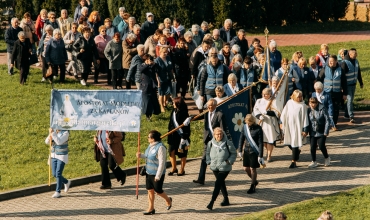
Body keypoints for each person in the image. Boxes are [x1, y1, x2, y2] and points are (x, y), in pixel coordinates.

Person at [136, 130, 173, 215]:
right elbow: (148, 156)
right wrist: (140, 155)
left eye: (149, 137)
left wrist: (158, 176)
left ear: (153, 138)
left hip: (157, 174)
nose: (147, 138)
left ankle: (168, 200)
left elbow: (162, 163)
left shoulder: (161, 148)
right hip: (148, 172)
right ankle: (151, 208)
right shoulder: (150, 146)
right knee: (150, 190)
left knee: (158, 191)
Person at [193, 98, 226, 185]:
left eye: (211, 105)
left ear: (215, 105)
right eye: (208, 105)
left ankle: (220, 178)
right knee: (204, 158)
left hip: (216, 141)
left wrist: (221, 141)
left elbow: (222, 129)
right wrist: (189, 119)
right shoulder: (206, 113)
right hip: (207, 140)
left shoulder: (220, 114)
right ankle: (201, 178)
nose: (209, 107)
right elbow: (198, 116)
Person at [205, 127, 236, 210]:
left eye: (220, 134)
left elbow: (233, 153)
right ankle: (226, 199)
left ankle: (212, 202)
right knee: (221, 183)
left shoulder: (227, 143)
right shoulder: (210, 143)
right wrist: (208, 161)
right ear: (214, 135)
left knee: (218, 183)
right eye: (217, 134)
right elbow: (207, 153)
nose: (219, 135)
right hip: (214, 167)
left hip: (224, 167)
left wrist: (229, 161)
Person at [280, 90, 309, 168]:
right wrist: (281, 122)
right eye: (298, 97)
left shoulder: (302, 106)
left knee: (295, 144)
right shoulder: (289, 103)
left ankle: (293, 161)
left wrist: (305, 129)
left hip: (297, 128)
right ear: (293, 96)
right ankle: (296, 152)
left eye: (300, 97)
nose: (299, 98)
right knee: (289, 143)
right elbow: (284, 113)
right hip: (289, 126)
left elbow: (305, 118)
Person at [317, 55, 347, 127]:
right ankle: (325, 123)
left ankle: (334, 124)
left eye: (332, 61)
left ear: (336, 61)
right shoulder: (324, 69)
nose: (330, 63)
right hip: (326, 93)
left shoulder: (340, 70)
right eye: (329, 61)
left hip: (337, 93)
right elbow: (319, 80)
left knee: (336, 109)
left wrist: (345, 93)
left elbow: (344, 82)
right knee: (325, 108)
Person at [238, 114, 264, 193]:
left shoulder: (258, 129)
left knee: (253, 169)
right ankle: (254, 180)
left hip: (254, 151)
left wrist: (260, 155)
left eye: (249, 123)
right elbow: (241, 139)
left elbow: (260, 143)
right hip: (246, 150)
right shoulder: (245, 127)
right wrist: (239, 150)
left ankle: (252, 186)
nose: (248, 124)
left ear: (253, 121)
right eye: (247, 122)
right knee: (246, 168)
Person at [253, 88, 280, 162]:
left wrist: (268, 113)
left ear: (270, 94)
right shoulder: (259, 101)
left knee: (270, 140)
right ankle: (267, 151)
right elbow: (255, 109)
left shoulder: (273, 101)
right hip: (262, 122)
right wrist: (259, 116)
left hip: (270, 123)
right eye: (263, 94)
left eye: (266, 94)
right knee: (264, 140)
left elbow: (277, 112)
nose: (264, 95)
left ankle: (269, 155)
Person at [167, 97, 191, 176]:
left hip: (181, 136)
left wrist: (185, 136)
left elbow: (187, 127)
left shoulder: (184, 113)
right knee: (171, 152)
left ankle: (182, 169)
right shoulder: (173, 111)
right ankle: (174, 168)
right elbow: (171, 122)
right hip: (172, 136)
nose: (172, 104)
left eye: (174, 103)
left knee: (182, 153)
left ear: (178, 104)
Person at [45, 128, 71, 198]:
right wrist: (50, 136)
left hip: (62, 155)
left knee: (58, 173)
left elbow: (59, 142)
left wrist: (53, 134)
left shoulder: (66, 132)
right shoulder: (54, 130)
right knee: (54, 174)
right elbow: (47, 142)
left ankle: (58, 191)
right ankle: (66, 182)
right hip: (53, 155)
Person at [307, 97, 331, 168]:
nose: (312, 105)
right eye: (311, 103)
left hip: (321, 131)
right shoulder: (308, 110)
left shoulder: (322, 109)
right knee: (312, 147)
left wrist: (326, 131)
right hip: (313, 132)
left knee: (321, 146)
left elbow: (327, 120)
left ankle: (327, 157)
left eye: (314, 103)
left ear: (317, 103)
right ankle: (314, 161)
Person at [342, 48, 364, 123]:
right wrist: (342, 87)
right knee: (350, 100)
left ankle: (346, 114)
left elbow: (358, 72)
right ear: (350, 54)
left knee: (350, 101)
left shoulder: (356, 61)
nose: (355, 56)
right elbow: (342, 76)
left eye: (356, 54)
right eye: (354, 55)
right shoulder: (345, 63)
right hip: (347, 85)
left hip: (353, 84)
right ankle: (351, 116)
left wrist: (361, 82)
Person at [139, 54, 161, 120]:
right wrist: (147, 64)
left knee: (153, 101)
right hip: (145, 87)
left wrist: (154, 64)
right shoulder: (142, 65)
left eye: (150, 59)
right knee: (147, 101)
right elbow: (141, 70)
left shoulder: (153, 66)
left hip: (152, 86)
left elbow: (160, 69)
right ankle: (147, 115)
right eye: (148, 59)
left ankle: (151, 114)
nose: (149, 61)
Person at [155, 47, 175, 112]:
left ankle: (165, 103)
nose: (165, 53)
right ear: (160, 52)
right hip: (161, 78)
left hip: (168, 77)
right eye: (164, 52)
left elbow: (171, 68)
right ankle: (161, 106)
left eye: (166, 52)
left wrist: (173, 77)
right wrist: (158, 81)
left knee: (169, 92)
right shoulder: (157, 60)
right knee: (161, 93)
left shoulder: (168, 58)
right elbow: (156, 72)